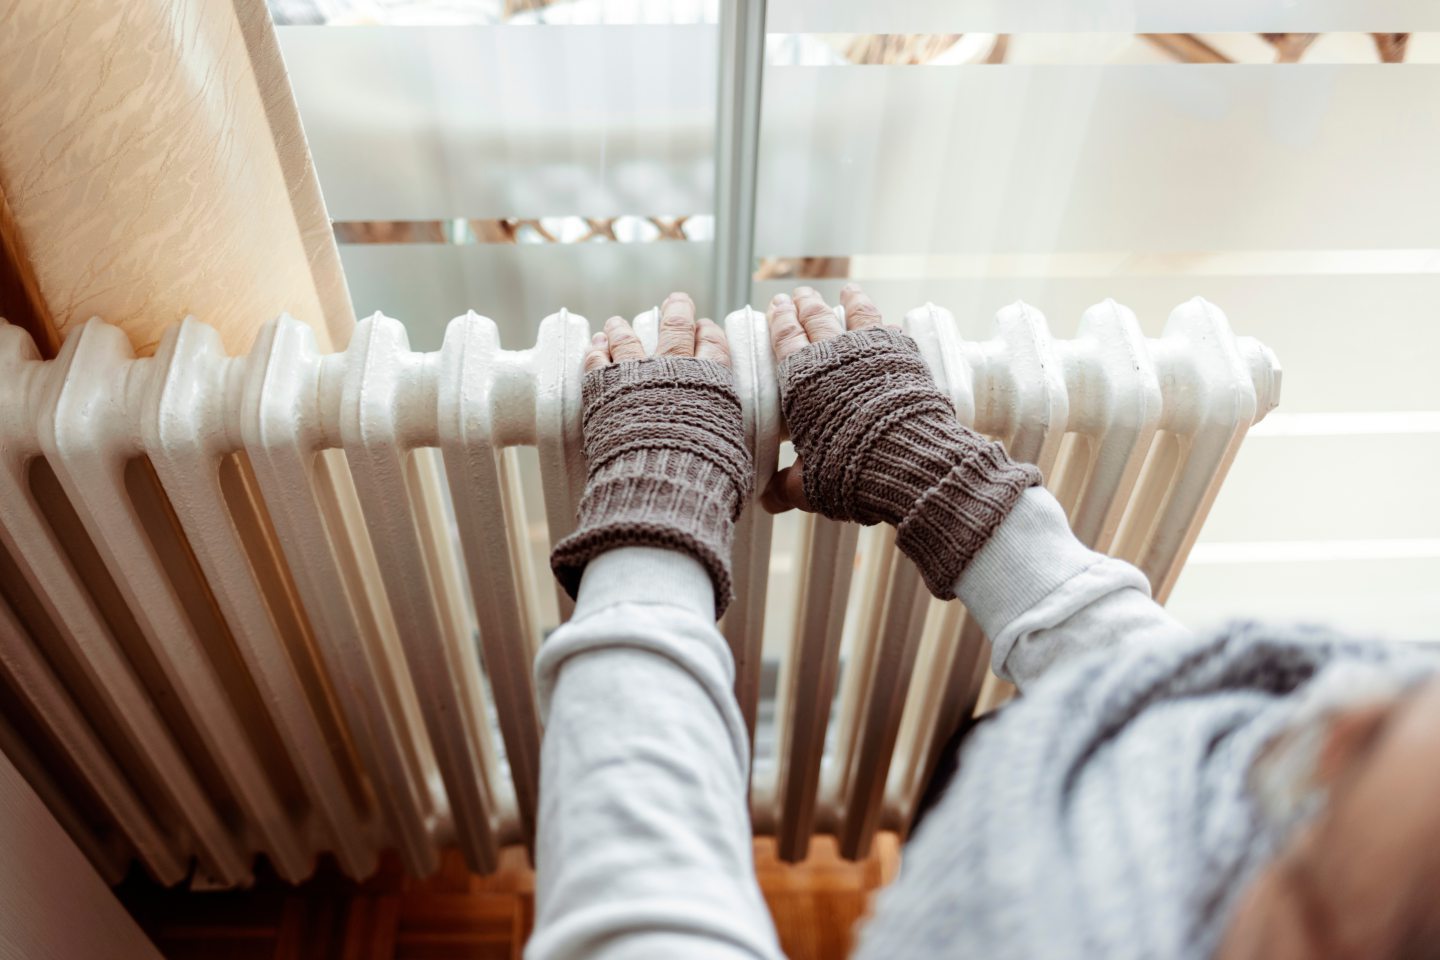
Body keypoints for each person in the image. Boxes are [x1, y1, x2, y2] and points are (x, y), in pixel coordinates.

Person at [525, 285, 1440, 960]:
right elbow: (1167, 711)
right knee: (1017, 744)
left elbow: (640, 921)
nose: (1348, 699)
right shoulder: (1172, 834)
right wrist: (945, 485)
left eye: (1322, 816)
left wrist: (658, 487)